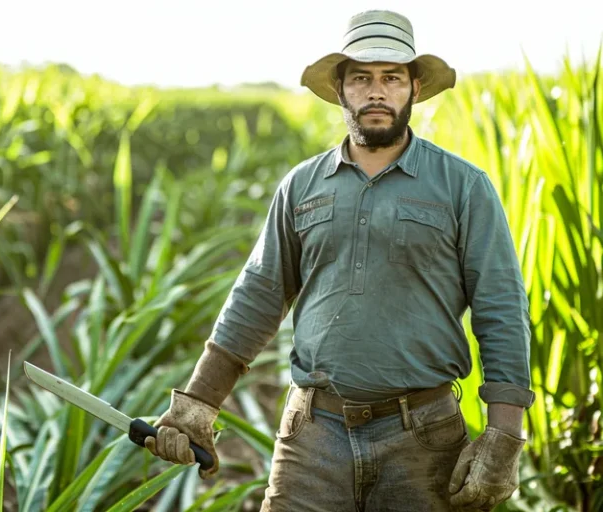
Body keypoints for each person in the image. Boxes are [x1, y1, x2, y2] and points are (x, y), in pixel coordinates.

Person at [144, 9, 535, 512]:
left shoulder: (463, 187)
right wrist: (197, 404)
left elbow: (501, 306)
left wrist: (504, 434)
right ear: (340, 88)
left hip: (424, 436)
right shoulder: (301, 186)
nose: (377, 91)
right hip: (312, 437)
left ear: (414, 87)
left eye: (391, 78)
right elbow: (260, 293)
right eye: (362, 78)